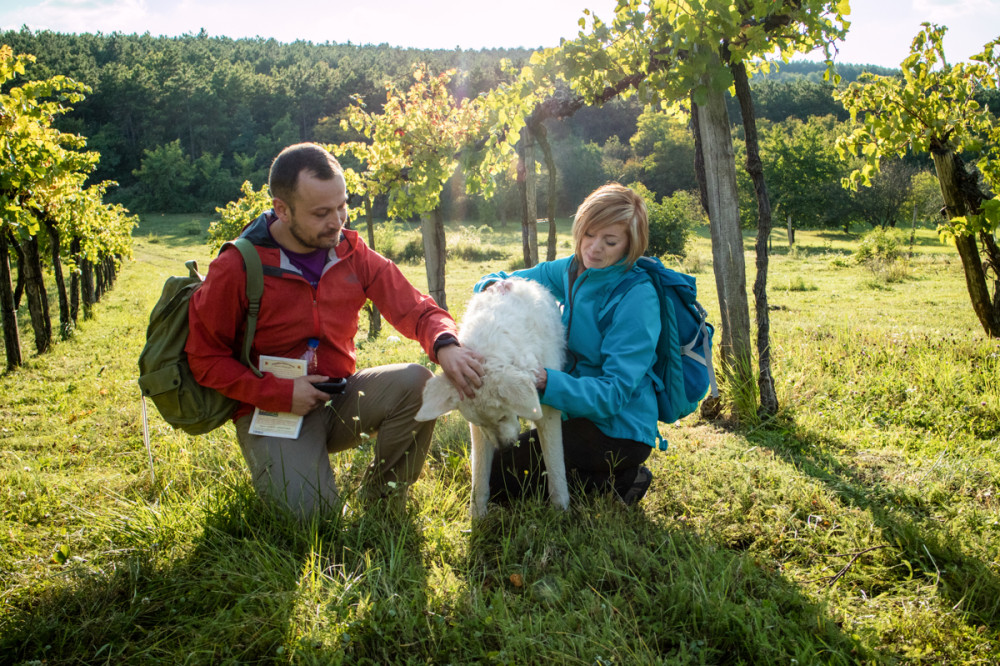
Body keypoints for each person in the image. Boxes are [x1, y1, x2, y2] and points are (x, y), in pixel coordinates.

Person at [186, 142, 483, 520]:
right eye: (322, 213)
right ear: (282, 209)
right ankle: (303, 479)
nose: (338, 221)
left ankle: (382, 501)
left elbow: (417, 308)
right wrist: (278, 392)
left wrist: (446, 344)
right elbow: (204, 357)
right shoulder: (237, 266)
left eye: (343, 206)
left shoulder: (350, 252)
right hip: (270, 409)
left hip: (337, 397)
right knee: (317, 522)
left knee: (419, 383)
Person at [475, 183, 659, 506]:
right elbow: (511, 279)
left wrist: (548, 381)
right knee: (499, 475)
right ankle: (591, 476)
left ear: (630, 245)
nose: (594, 248)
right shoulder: (574, 269)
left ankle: (622, 479)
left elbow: (614, 394)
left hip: (618, 428)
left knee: (508, 480)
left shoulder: (637, 298)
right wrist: (493, 285)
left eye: (610, 241)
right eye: (588, 234)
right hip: (574, 412)